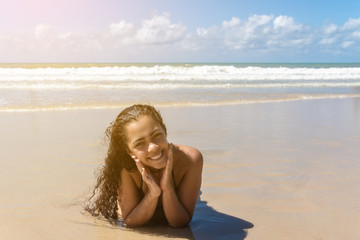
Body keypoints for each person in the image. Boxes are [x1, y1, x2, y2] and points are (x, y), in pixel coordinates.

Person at [85, 104, 203, 227]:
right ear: (129, 151)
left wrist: (167, 188)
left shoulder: (190, 159)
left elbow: (179, 222)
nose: (153, 147)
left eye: (157, 135)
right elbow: (131, 221)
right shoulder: (127, 168)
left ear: (164, 130)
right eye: (140, 143)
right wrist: (153, 193)